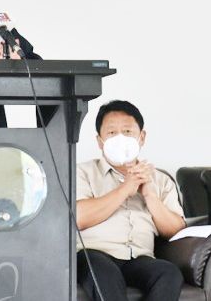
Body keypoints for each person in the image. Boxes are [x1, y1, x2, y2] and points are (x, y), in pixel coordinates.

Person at [74, 100, 185, 301]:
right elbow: (80, 217)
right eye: (111, 133)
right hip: (94, 254)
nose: (120, 139)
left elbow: (175, 231)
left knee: (168, 273)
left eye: (127, 132)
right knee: (103, 271)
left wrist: (150, 195)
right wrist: (127, 187)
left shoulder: (160, 180)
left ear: (141, 137)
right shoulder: (82, 172)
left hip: (139, 258)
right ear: (100, 141)